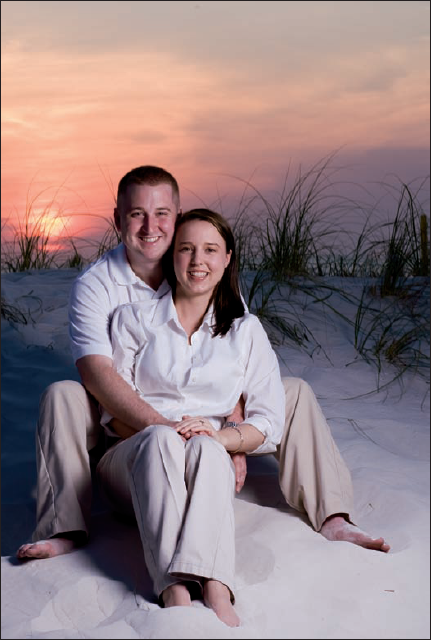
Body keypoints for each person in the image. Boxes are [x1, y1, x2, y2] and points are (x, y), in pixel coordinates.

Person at [17, 164, 389, 563]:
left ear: (178, 218)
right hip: (132, 431)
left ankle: (332, 514)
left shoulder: (198, 266)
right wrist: (170, 432)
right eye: (136, 214)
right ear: (118, 220)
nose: (150, 226)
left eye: (161, 214)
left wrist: (233, 438)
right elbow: (96, 372)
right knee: (63, 395)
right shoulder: (97, 284)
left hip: (206, 428)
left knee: (293, 391)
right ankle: (64, 526)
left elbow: (237, 353)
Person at [94, 208, 285, 626]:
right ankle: (174, 587)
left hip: (204, 471)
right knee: (164, 439)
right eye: (186, 249)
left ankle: (215, 584)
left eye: (210, 250)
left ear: (228, 258)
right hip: (131, 465)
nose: (198, 261)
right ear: (171, 257)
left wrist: (222, 439)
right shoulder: (133, 320)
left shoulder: (245, 331)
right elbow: (112, 414)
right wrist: (167, 428)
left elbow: (270, 420)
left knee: (206, 443)